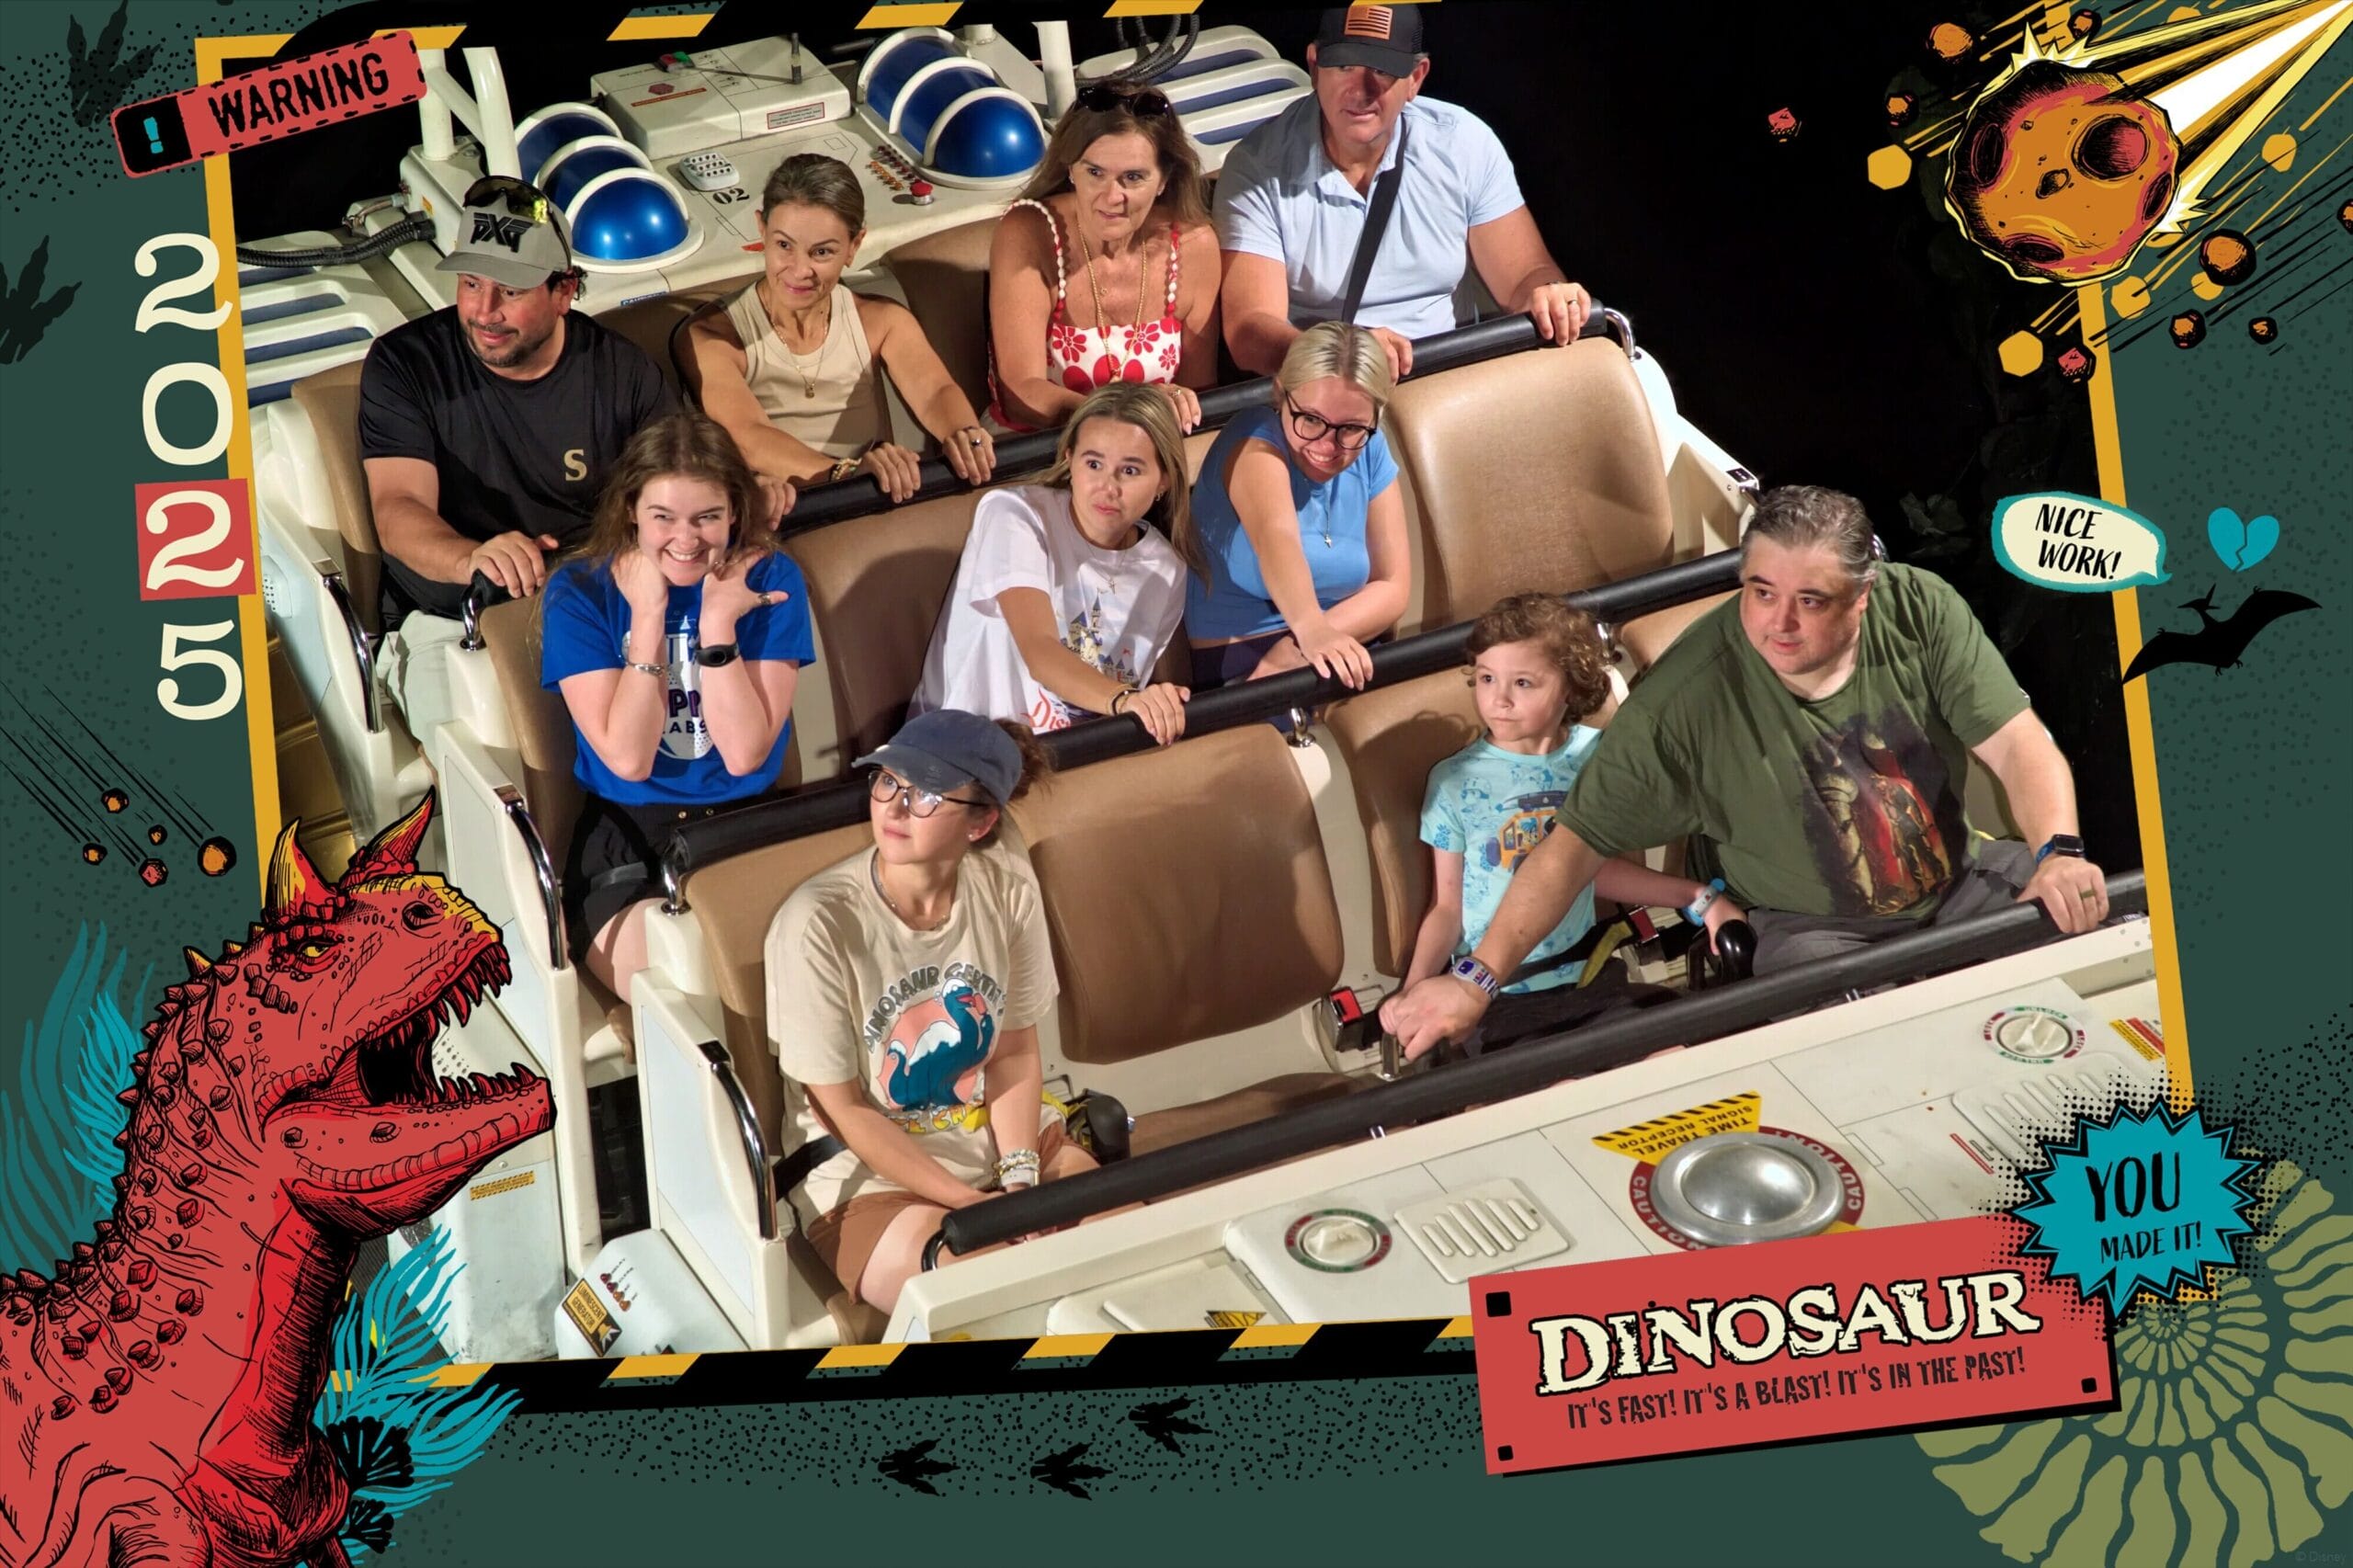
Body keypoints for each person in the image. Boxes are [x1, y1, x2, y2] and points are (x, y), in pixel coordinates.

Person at [1382, 485, 2113, 1060]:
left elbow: (2019, 744)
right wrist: (1475, 981)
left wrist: (2060, 854)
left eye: (1810, 601)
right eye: (1761, 593)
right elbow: (1570, 850)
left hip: (1961, 887)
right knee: (1879, 1040)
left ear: (1865, 594)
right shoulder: (1687, 699)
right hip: (1813, 933)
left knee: (2094, 951)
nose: (1778, 623)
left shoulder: (1920, 609)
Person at [767, 710, 1095, 1314]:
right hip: (870, 1180)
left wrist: (1018, 1178)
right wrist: (973, 1206)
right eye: (886, 782)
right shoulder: (815, 923)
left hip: (1001, 1141)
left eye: (923, 794)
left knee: (1122, 1252)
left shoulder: (1008, 888)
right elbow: (840, 1108)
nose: (892, 807)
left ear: (981, 822)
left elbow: (1016, 1050)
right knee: (1007, 1302)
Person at [361, 176, 671, 744]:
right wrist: (474, 558)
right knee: (481, 761)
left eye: (511, 290)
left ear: (564, 292)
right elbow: (397, 511)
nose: (484, 310)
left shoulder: (620, 371)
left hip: (600, 598)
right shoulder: (405, 365)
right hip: (455, 620)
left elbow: (674, 496)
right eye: (471, 283)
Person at [540, 412, 813, 1002]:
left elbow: (743, 755)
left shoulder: (769, 578)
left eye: (706, 518)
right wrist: (647, 614)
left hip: (747, 825)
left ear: (734, 513)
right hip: (632, 838)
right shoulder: (580, 591)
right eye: (663, 517)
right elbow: (629, 759)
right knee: (686, 1003)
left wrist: (717, 624)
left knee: (796, 994)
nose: (686, 540)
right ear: (631, 509)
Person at [1403, 594, 1746, 1060]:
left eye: (1522, 682)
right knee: (1557, 1092)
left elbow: (1592, 869)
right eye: (1486, 678)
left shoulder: (1597, 758)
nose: (1498, 699)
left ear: (1570, 686)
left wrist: (1700, 897)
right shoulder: (1453, 783)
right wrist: (1416, 992)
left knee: (1672, 1061)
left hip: (1591, 976)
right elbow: (1446, 909)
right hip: (1499, 1000)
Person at [1215, 6, 1593, 382]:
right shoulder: (1256, 168)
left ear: (1416, 77)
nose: (1361, 91)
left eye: (1381, 70)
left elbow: (1524, 275)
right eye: (1344, 66)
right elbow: (1250, 329)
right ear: (1314, 67)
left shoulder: (1463, 142)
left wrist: (1549, 294)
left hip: (1450, 383)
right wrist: (1347, 354)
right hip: (1328, 392)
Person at [687, 153, 997, 506]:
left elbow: (935, 392)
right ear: (762, 230)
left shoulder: (882, 321)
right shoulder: (713, 335)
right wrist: (845, 474)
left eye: (821, 252)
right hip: (782, 513)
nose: (798, 270)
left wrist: (965, 435)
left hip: (870, 500)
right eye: (784, 246)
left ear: (854, 247)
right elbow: (747, 436)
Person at [910, 383, 1198, 746]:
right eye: (1093, 464)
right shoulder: (1014, 514)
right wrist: (1126, 699)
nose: (1107, 487)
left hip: (1072, 760)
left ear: (1164, 481)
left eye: (1130, 471)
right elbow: (1040, 651)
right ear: (1069, 459)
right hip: (962, 747)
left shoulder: (1166, 569)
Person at [1185, 320, 1407, 693]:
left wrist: (1301, 646)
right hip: (1244, 672)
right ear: (1280, 394)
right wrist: (1310, 629)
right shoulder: (1253, 437)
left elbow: (1393, 585)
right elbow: (1278, 539)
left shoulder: (1372, 447)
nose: (1326, 445)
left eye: (1351, 428)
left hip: (1340, 647)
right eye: (1310, 420)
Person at [986, 82, 1221, 435]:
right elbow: (1022, 394)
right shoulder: (1027, 231)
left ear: (1163, 180)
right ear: (1070, 169)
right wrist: (1125, 417)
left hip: (1150, 451)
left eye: (1133, 178)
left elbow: (1199, 392)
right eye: (1095, 173)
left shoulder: (1194, 243)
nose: (1112, 197)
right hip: (1042, 447)